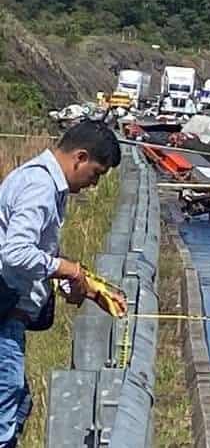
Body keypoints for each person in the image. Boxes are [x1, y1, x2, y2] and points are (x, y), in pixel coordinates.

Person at [0, 120, 128, 447]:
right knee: (6, 411)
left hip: (10, 315)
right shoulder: (40, 186)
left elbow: (33, 254)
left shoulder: (43, 183)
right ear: (80, 158)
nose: (94, 184)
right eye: (96, 173)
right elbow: (15, 253)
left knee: (16, 407)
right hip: (4, 318)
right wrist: (67, 270)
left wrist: (73, 279)